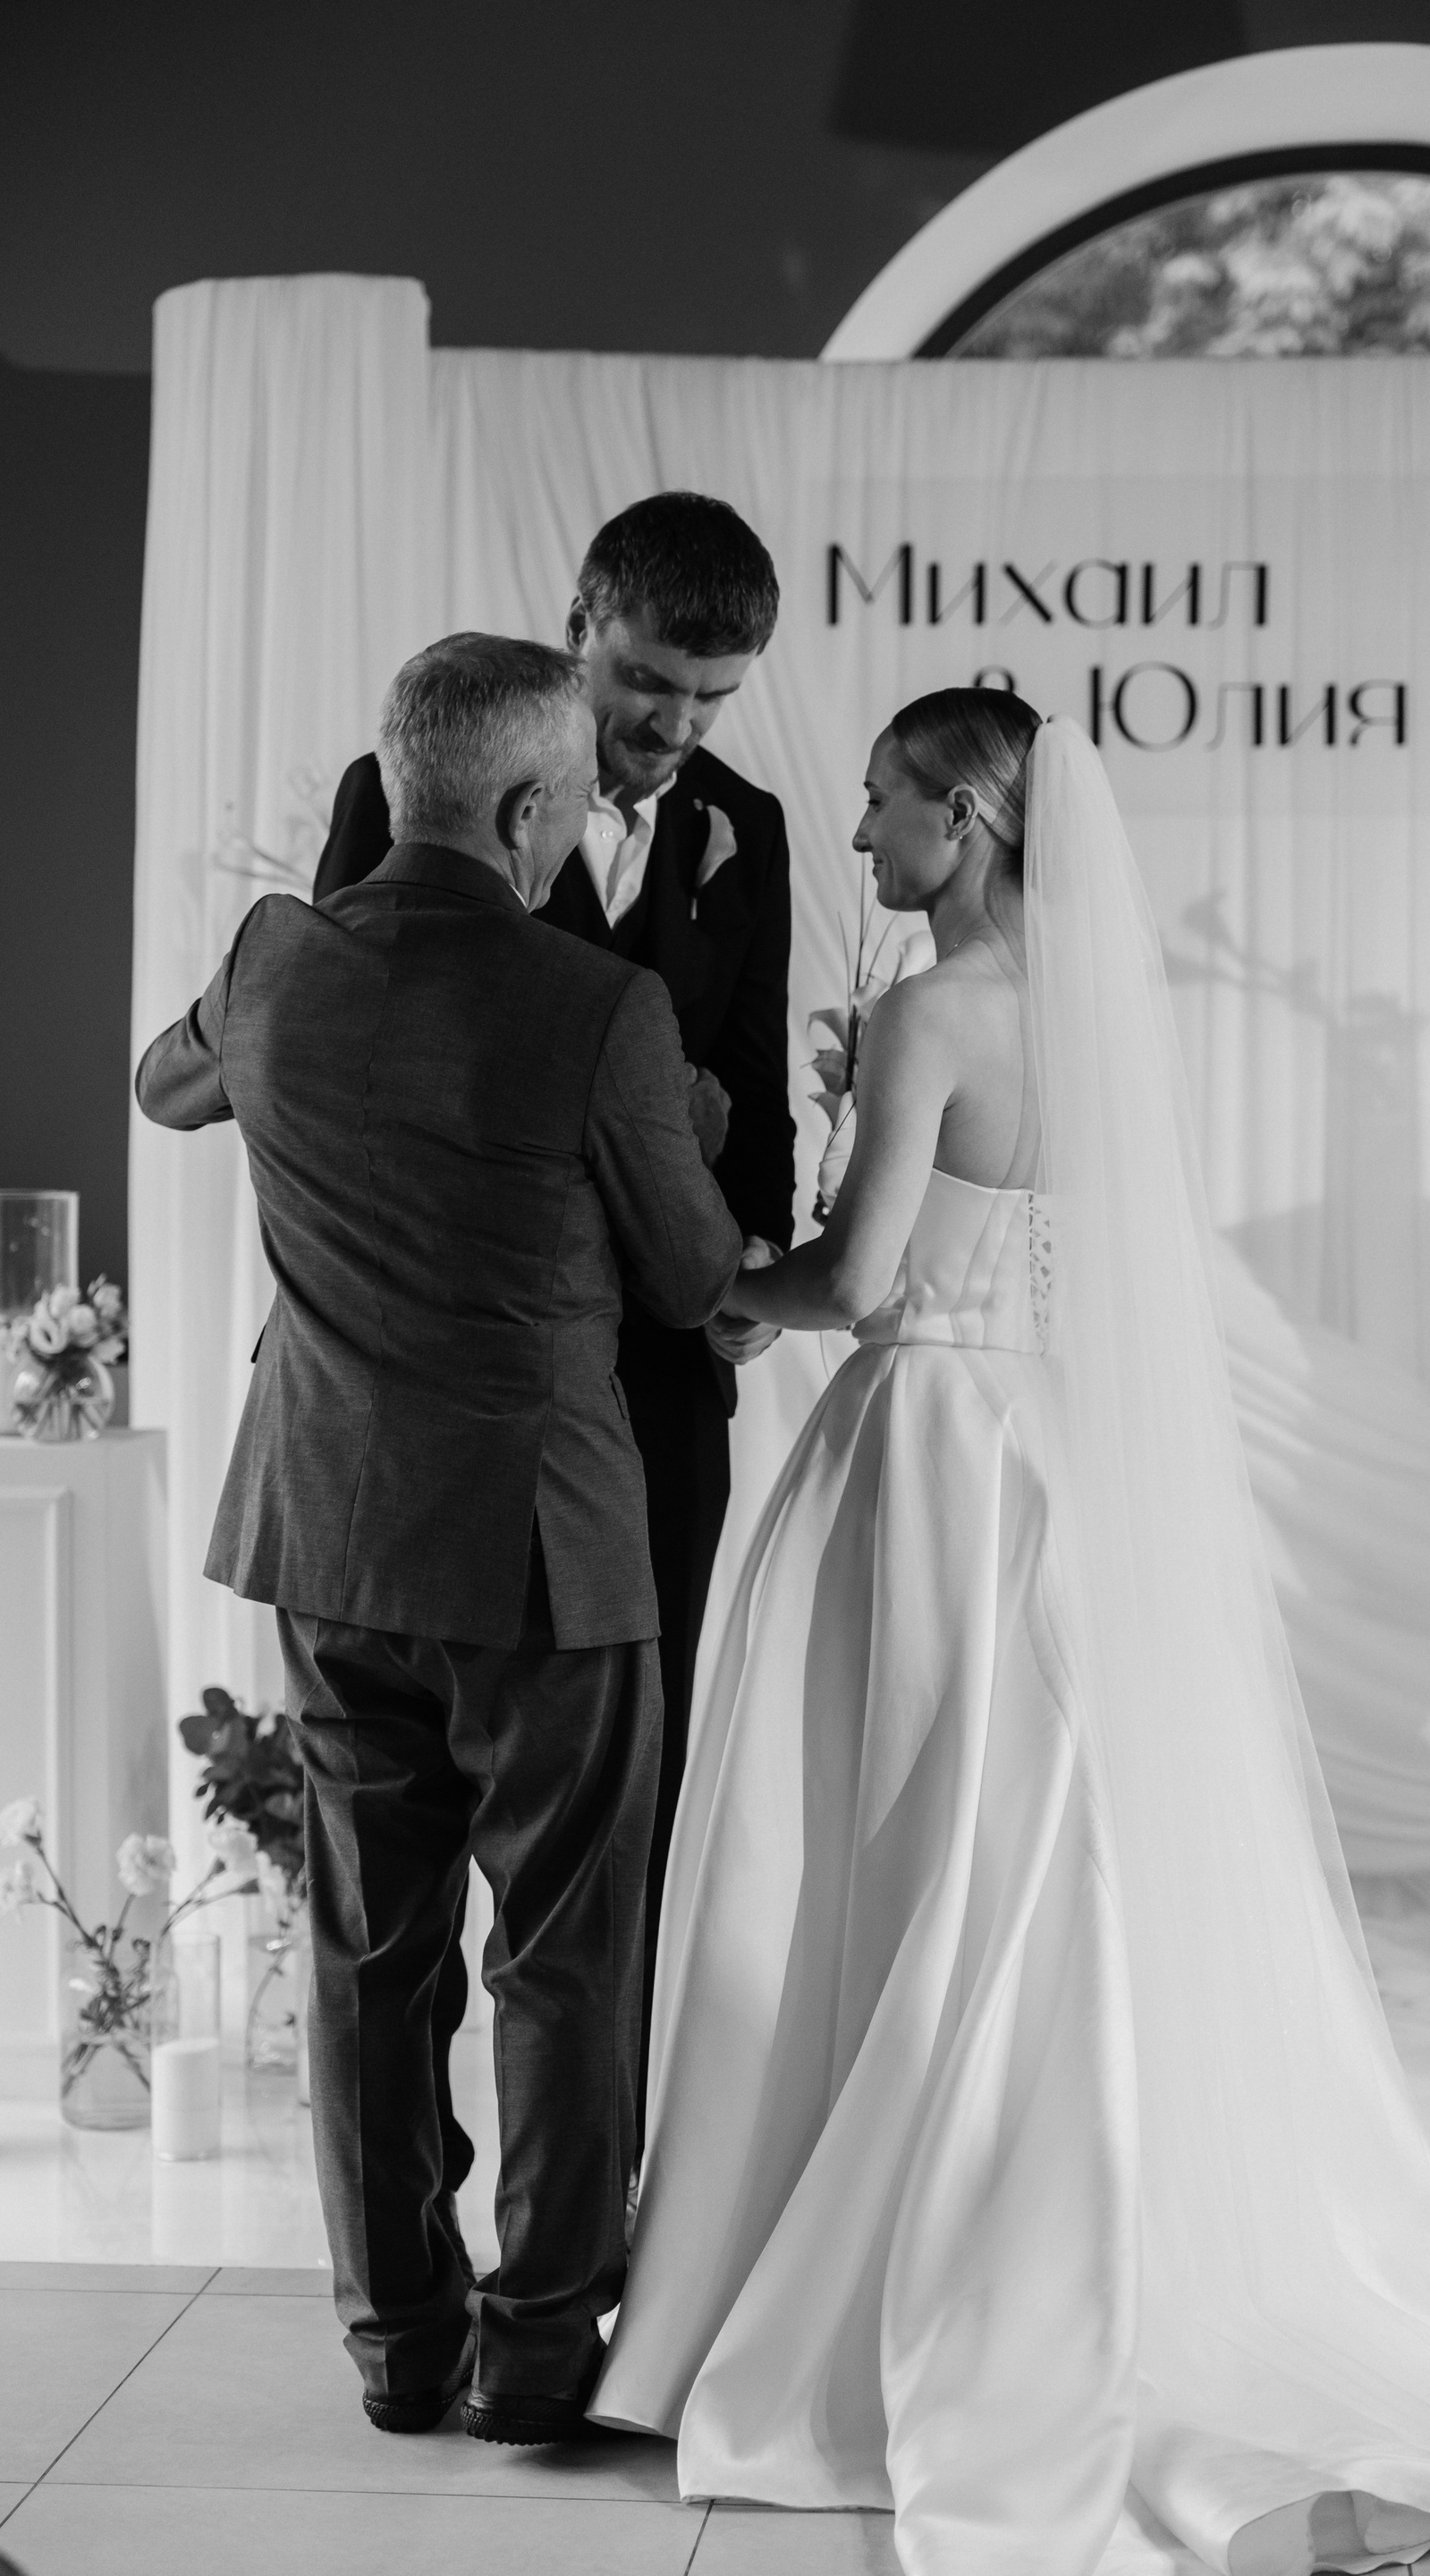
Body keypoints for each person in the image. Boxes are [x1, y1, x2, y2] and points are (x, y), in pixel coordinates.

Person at [594, 691, 1430, 2572]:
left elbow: (859, 1282)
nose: (857, 840)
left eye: (880, 804)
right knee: (1030, 1841)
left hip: (928, 1455)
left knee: (880, 1849)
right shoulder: (1096, 1007)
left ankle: (852, 2269)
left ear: (965, 816)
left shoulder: (930, 1017)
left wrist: (717, 1291)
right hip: (1057, 1457)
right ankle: (1041, 2211)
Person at [137, 634, 741, 2444]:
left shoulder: (271, 959)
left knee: (367, 1948)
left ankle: (399, 2346)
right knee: (561, 1955)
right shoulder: (600, 1008)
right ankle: (540, 2354)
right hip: (547, 1554)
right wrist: (691, 1118)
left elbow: (168, 1087)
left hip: (331, 1536)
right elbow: (694, 1277)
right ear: (530, 804)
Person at [314, 490, 793, 2150]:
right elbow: (346, 1063)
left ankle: (596, 2209)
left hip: (651, 1401)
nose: (673, 728)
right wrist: (660, 1135)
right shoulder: (402, 794)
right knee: (403, 1864)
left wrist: (746, 1262)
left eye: (712, 697)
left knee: (623, 1824)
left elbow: (754, 1102)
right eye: (648, 680)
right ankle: (426, 2224)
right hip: (433, 1402)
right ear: (581, 625)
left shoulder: (745, 826)